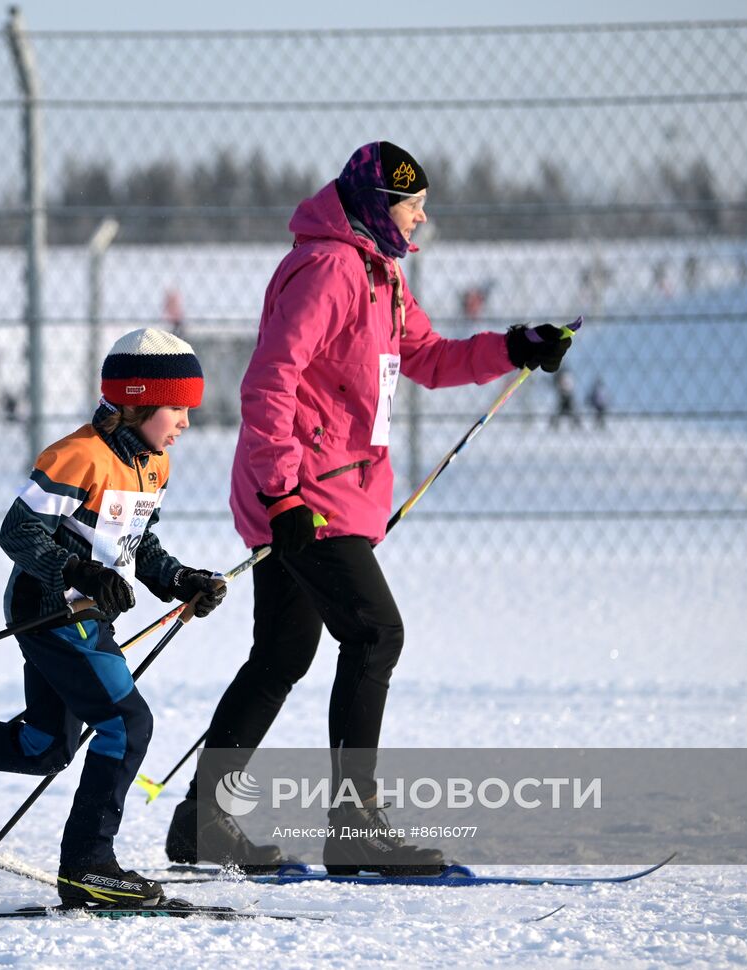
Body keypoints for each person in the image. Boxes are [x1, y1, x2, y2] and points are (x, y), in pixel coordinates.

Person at [164, 141, 573, 875]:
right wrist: (282, 491)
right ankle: (353, 829)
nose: (423, 218)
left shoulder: (379, 275)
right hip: (304, 497)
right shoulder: (329, 270)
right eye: (413, 204)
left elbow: (432, 359)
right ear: (378, 206)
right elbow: (268, 384)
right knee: (376, 633)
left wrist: (514, 346)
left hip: (329, 493)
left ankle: (202, 821)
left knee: (284, 654)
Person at [0, 329, 229, 907]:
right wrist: (79, 572)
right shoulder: (78, 456)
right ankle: (89, 864)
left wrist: (181, 581)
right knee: (127, 725)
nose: (186, 422)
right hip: (52, 609)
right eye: (177, 407)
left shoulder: (154, 464)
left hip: (89, 609)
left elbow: (138, 544)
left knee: (43, 746)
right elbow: (19, 532)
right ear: (138, 400)